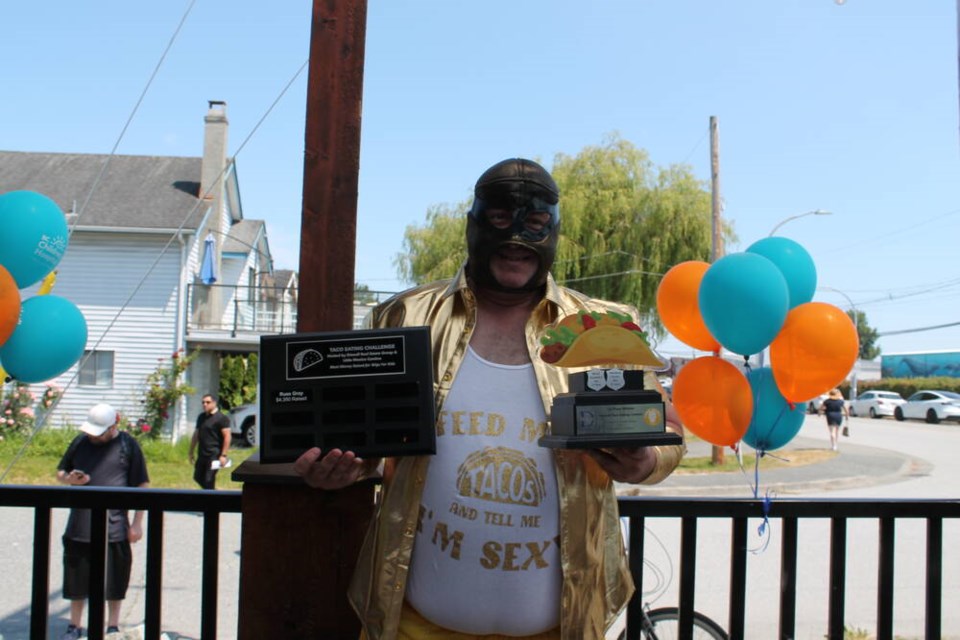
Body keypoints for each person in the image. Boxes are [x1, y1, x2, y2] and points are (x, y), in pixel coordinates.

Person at [293, 158, 686, 639]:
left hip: (560, 626)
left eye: (536, 223)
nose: (517, 238)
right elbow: (369, 439)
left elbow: (667, 427)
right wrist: (346, 467)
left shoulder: (603, 327)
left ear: (555, 232)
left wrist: (645, 460)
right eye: (500, 219)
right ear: (473, 226)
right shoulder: (406, 316)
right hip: (415, 624)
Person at [56, 403, 150, 640]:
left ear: (112, 427)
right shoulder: (79, 442)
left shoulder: (128, 445)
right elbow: (60, 472)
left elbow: (142, 484)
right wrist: (72, 480)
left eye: (98, 432)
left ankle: (112, 626)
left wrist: (137, 523)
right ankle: (74, 626)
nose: (93, 436)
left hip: (115, 526)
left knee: (115, 580)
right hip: (79, 524)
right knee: (76, 579)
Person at [188, 393, 231, 489]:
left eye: (208, 402)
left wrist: (223, 455)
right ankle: (212, 494)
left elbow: (227, 437)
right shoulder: (201, 417)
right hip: (202, 454)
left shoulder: (221, 418)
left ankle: (210, 499)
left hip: (214, 454)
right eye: (203, 402)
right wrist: (191, 451)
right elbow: (196, 434)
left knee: (209, 480)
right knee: (197, 477)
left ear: (214, 403)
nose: (205, 404)